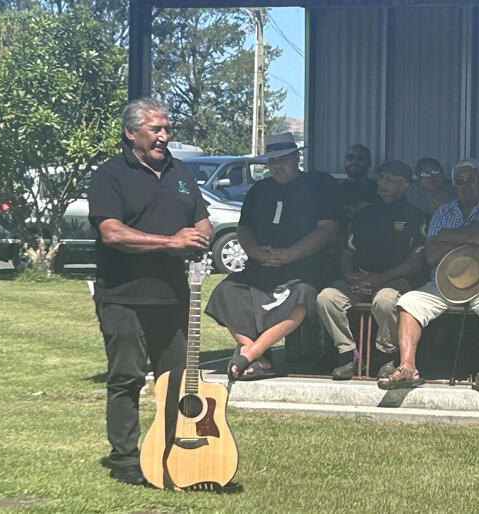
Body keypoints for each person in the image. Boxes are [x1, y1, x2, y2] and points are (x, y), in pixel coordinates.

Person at [88, 98, 213, 485]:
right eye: (155, 129)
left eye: (166, 128)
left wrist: (200, 236)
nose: (164, 136)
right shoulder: (110, 174)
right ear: (131, 133)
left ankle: (173, 448)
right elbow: (112, 232)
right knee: (126, 376)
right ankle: (125, 457)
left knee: (176, 381)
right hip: (124, 294)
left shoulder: (179, 171)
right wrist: (170, 243)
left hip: (175, 295)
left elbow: (203, 218)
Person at [205, 133, 339, 381]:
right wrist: (254, 251)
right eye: (272, 161)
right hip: (262, 264)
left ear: (296, 157)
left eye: (283, 159)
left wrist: (291, 254)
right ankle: (259, 358)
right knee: (226, 291)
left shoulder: (318, 185)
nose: (277, 166)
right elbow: (244, 229)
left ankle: (250, 354)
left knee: (303, 295)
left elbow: (327, 230)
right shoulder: (260, 190)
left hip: (305, 266)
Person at [378, 158, 479, 392]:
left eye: (472, 180)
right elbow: (431, 256)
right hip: (444, 284)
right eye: (459, 181)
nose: (465, 185)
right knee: (409, 301)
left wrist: (446, 235)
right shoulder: (443, 211)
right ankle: (407, 368)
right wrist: (467, 237)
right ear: (453, 185)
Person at [317, 160, 428, 380]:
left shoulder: (417, 216)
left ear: (403, 185)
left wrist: (380, 279)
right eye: (381, 178)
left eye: (388, 180)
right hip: (361, 279)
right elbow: (348, 252)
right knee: (326, 297)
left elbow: (415, 263)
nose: (381, 184)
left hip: (395, 281)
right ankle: (349, 354)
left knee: (385, 302)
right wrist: (349, 276)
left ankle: (387, 356)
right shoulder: (364, 214)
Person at [337, 144, 380, 224]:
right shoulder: (334, 190)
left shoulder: (379, 192)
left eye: (360, 158)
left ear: (369, 163)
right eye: (350, 157)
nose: (354, 162)